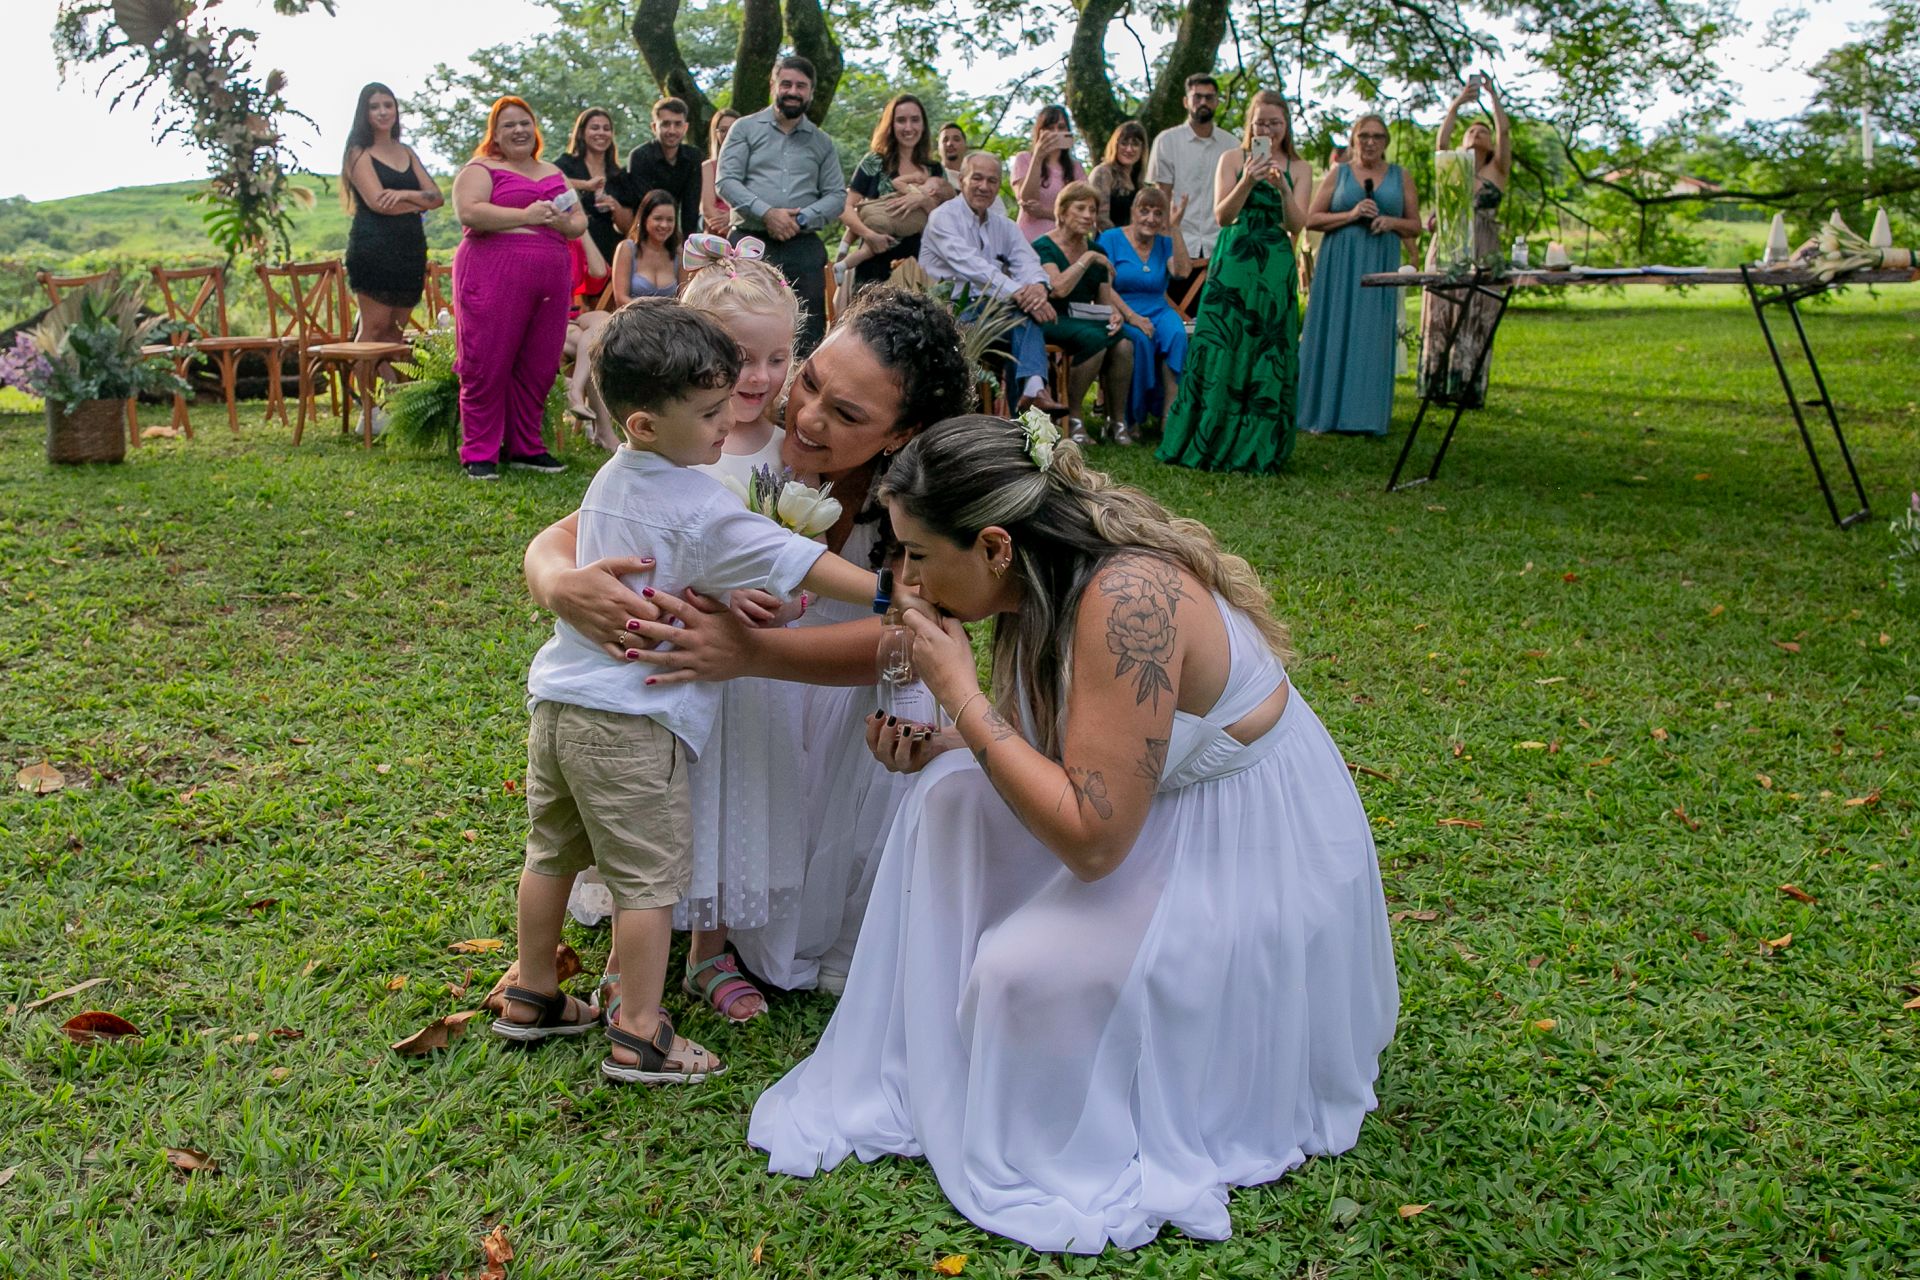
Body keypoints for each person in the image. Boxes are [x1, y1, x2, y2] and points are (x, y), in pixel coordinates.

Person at [748, 413, 1399, 1253]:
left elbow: (1094, 841)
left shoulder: (1127, 601)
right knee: (946, 790)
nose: (903, 581)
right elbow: (1052, 748)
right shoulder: (1036, 581)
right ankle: (942, 1043)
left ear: (992, 546)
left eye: (915, 554)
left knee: (1018, 980)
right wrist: (940, 743)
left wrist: (959, 697)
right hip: (1141, 813)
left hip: (1239, 844)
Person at [522, 287, 976, 996]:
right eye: (812, 381)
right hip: (727, 692)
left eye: (847, 414)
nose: (808, 414)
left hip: (843, 695)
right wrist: (557, 584)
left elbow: (919, 635)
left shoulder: (919, 493)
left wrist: (753, 654)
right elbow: (580, 528)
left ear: (899, 432)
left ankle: (745, 921)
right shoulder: (725, 430)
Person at [495, 299, 885, 1085]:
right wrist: (884, 594)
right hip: (635, 723)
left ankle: (531, 991)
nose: (722, 428)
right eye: (708, 414)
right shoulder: (699, 499)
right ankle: (639, 1031)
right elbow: (794, 560)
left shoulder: (611, 479)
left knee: (551, 856)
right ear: (644, 424)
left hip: (559, 712)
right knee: (648, 885)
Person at [1158, 90, 1313, 473]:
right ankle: (1210, 436)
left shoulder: (1301, 166)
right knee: (1223, 343)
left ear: (1286, 125)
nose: (1268, 129)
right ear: (1251, 124)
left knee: (1266, 348)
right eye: (1261, 122)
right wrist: (1246, 181)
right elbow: (1222, 215)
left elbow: (1297, 224)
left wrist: (1283, 189)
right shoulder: (1231, 158)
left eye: (1275, 123)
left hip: (1274, 262)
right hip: (1234, 260)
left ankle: (1258, 445)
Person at [450, 96, 584, 480]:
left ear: (535, 128)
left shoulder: (553, 172)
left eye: (525, 122)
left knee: (540, 362)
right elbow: (469, 211)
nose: (519, 130)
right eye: (508, 125)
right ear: (495, 133)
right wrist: (526, 215)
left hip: (551, 275)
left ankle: (527, 446)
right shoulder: (482, 169)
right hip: (493, 272)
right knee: (487, 360)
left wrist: (559, 221)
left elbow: (578, 224)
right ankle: (480, 451)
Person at [1297, 114, 1421, 436]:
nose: (1370, 142)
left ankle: (1364, 417)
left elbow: (1415, 225)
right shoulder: (1339, 174)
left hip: (1379, 262)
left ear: (1386, 143)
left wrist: (1392, 223)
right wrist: (1351, 214)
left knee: (1371, 334)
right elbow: (1311, 219)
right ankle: (1324, 413)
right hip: (1340, 264)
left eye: (1377, 137)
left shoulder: (1400, 176)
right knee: (1335, 329)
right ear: (1353, 139)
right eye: (1364, 135)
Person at [716, 55, 846, 355]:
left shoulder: (822, 142)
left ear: (810, 93)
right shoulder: (744, 129)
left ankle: (797, 397)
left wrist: (799, 220)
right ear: (773, 84)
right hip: (750, 242)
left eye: (801, 86)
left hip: (803, 245)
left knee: (806, 330)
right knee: (740, 322)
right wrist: (768, 213)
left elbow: (837, 195)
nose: (793, 91)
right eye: (786, 83)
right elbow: (726, 181)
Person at [919, 151, 1064, 416]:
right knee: (1024, 312)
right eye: (977, 178)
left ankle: (1032, 397)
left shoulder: (1004, 225)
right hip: (950, 311)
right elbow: (973, 266)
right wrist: (1021, 293)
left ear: (999, 185)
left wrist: (1039, 289)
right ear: (961, 180)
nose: (984, 187)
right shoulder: (943, 218)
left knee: (1025, 314)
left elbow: (1027, 261)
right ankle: (1030, 402)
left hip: (994, 312)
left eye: (992, 181)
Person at [1418, 77, 1512, 408]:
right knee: (1442, 309)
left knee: (1477, 311)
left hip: (1484, 243)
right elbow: (1441, 140)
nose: (1477, 134)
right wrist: (1458, 103)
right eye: (1472, 130)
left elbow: (1505, 134)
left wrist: (1492, 96)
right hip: (1450, 240)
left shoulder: (1497, 170)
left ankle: (1467, 388)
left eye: (1482, 131)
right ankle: (1436, 385)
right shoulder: (1452, 167)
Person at [340, 82, 441, 388]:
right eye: (374, 106)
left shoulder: (406, 151)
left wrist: (403, 194)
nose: (383, 112)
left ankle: (392, 400)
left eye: (388, 105)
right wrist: (415, 202)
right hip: (373, 250)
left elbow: (436, 197)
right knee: (374, 328)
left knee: (395, 332)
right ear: (364, 113)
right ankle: (368, 408)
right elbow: (377, 203)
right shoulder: (358, 153)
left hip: (410, 251)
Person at [1034, 182, 1138, 444]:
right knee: (1096, 339)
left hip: (1085, 318)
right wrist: (1087, 259)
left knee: (1124, 341)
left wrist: (1113, 314)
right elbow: (1057, 289)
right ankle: (1074, 417)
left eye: (1092, 210)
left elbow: (1104, 302)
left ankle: (1116, 421)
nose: (1088, 216)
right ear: (1062, 212)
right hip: (1050, 317)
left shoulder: (1097, 250)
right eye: (1080, 208)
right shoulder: (1043, 246)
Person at [837, 94, 951, 291]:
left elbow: (948, 221)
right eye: (901, 120)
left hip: (921, 270)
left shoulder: (935, 171)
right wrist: (869, 235)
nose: (908, 127)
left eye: (915, 120)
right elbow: (844, 206)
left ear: (923, 125)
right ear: (890, 125)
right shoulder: (873, 162)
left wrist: (924, 201)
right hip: (873, 268)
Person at [1097, 185, 1190, 425]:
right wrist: (1132, 316)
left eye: (1158, 213)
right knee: (1139, 339)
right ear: (1133, 211)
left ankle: (1169, 417)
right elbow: (1105, 286)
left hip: (1158, 308)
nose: (1150, 218)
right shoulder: (1111, 238)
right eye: (1145, 211)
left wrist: (1176, 229)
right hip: (1121, 308)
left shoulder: (1164, 242)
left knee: (1177, 334)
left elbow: (1181, 272)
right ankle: (1132, 417)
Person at [1148, 74, 1237, 301]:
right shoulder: (1167, 141)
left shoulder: (1233, 146)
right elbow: (1161, 196)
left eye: (1209, 97)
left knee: (1215, 318)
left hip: (1220, 245)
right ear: (1186, 101)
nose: (1203, 103)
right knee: (1177, 315)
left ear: (1217, 102)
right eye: (1197, 97)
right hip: (1178, 244)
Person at [556, 107, 635, 262]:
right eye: (594, 128)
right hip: (574, 249)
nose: (601, 133)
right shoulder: (567, 164)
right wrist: (585, 185)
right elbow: (550, 183)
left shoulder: (619, 175)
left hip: (610, 252)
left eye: (606, 129)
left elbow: (630, 228)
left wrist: (615, 206)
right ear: (581, 132)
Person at [561, 231, 616, 448]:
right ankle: (604, 431)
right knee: (596, 346)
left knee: (603, 321)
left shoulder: (572, 240)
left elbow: (599, 272)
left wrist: (582, 230)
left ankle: (575, 387)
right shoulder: (535, 239)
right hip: (543, 322)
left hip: (571, 317)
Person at [627, 97, 703, 245]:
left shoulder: (693, 156)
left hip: (675, 231)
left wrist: (688, 245)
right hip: (643, 232)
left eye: (678, 124)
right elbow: (644, 204)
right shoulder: (640, 156)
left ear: (685, 127)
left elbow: (691, 205)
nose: (672, 130)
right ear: (654, 127)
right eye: (666, 124)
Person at [1010, 105, 1086, 241]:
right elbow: (1026, 199)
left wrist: (1044, 213)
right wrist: (1038, 157)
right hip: (1028, 240)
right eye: (1050, 128)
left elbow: (1082, 211)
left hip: (1064, 242)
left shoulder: (1076, 168)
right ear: (1040, 132)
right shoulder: (1024, 159)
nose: (1056, 132)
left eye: (1061, 127)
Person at [611, 189, 684, 306]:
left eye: (670, 220)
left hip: (669, 320)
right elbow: (620, 298)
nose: (664, 225)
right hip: (634, 319)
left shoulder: (679, 254)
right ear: (644, 219)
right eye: (658, 219)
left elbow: (684, 299)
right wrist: (651, 316)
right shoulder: (627, 249)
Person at [1089, 120, 1146, 232]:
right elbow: (1100, 218)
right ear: (1115, 145)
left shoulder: (1140, 182)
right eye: (1124, 143)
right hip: (1107, 243)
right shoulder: (1103, 173)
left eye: (1135, 144)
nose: (1129, 149)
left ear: (1142, 149)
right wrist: (1122, 242)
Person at [699, 108, 741, 236]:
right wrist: (728, 232)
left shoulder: (753, 166)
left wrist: (733, 218)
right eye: (723, 130)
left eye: (732, 129)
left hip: (745, 234)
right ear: (715, 134)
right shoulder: (707, 167)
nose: (728, 134)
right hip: (716, 235)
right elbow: (707, 208)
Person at [937, 121, 969, 187]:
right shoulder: (931, 176)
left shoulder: (974, 179)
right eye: (945, 140)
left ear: (965, 146)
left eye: (956, 139)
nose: (950, 144)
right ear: (938, 148)